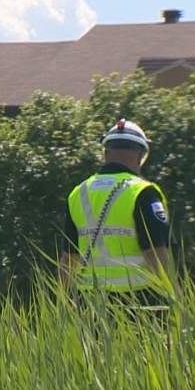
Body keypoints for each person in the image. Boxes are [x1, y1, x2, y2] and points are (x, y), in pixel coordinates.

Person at [60, 119, 174, 310]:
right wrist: (174, 294)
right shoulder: (143, 192)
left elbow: (68, 258)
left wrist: (62, 305)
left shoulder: (79, 193)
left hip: (90, 303)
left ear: (105, 154)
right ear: (140, 155)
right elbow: (155, 252)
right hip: (140, 302)